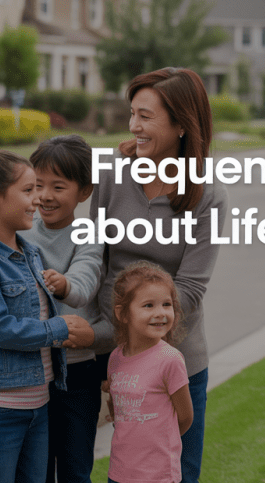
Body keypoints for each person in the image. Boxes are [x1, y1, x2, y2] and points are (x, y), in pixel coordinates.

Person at [90, 67, 227, 483]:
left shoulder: (208, 193)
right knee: (123, 467)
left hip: (176, 361)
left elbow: (190, 289)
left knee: (175, 472)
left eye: (145, 116)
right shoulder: (112, 174)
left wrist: (138, 343)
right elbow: (95, 258)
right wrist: (108, 344)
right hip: (110, 352)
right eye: (132, 113)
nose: (134, 126)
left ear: (181, 124)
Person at [0, 147, 94, 483]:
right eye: (28, 190)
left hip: (38, 404)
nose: (37, 199)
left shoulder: (30, 252)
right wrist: (58, 328)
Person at [20, 135, 103, 483]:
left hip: (78, 373)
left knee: (75, 470)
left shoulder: (89, 233)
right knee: (35, 471)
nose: (45, 196)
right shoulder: (22, 232)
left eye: (58, 186)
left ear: (84, 191)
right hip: (33, 372)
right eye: (38, 185)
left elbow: (85, 281)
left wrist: (64, 284)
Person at [105, 261, 193, 483]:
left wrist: (159, 444)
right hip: (119, 473)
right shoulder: (116, 358)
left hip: (157, 475)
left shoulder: (170, 360)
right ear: (123, 313)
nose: (160, 313)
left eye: (166, 304)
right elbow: (117, 408)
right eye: (148, 305)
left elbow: (185, 417)